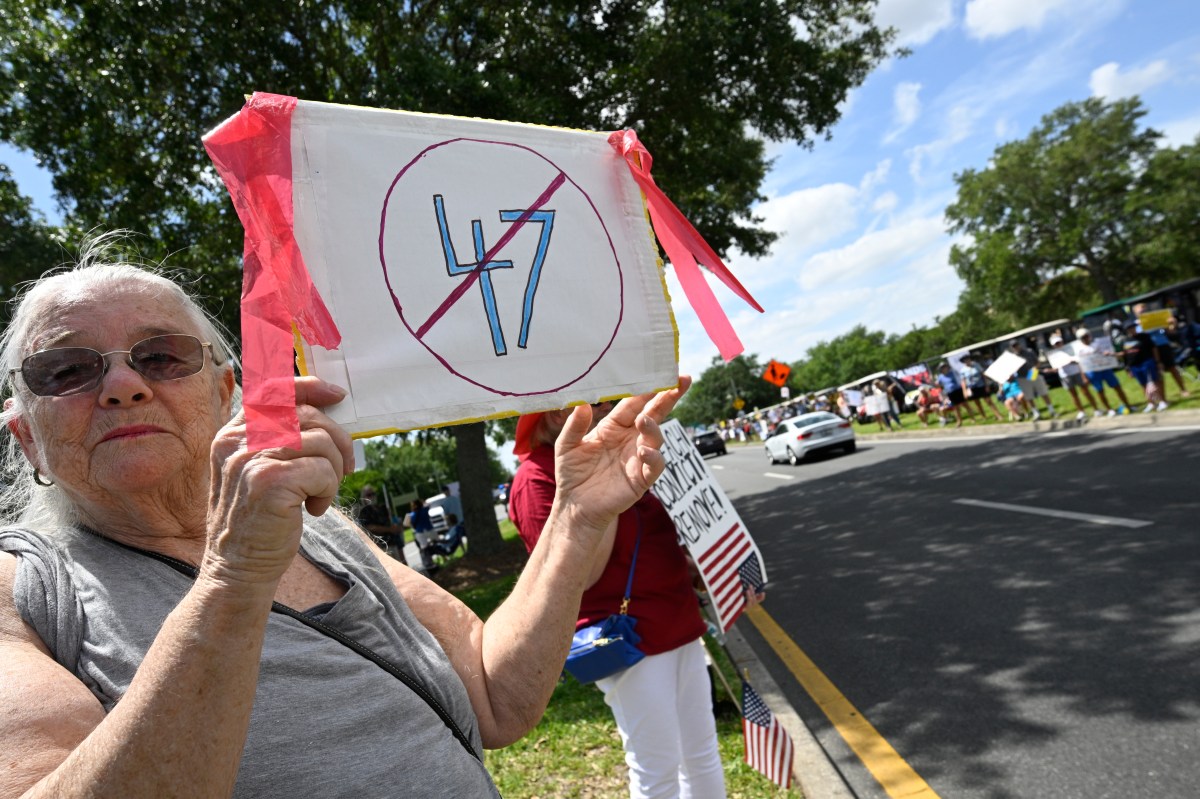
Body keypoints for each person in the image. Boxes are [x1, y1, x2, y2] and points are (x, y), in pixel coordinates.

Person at [0, 235, 689, 797]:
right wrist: (232, 579)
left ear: (223, 392)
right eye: (66, 370)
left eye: (160, 355)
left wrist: (574, 516)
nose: (123, 384)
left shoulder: (320, 525)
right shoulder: (23, 589)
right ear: (26, 434)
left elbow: (495, 696)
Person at [509, 398, 763, 799]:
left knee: (701, 754)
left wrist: (711, 575)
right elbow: (575, 578)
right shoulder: (535, 478)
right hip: (627, 639)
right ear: (561, 413)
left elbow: (656, 543)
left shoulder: (623, 455)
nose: (617, 409)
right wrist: (601, 494)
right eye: (604, 401)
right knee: (657, 770)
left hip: (678, 619)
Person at [1073, 327, 1133, 415]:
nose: (1085, 338)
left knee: (1117, 387)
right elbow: (1080, 363)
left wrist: (1108, 353)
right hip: (1092, 372)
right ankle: (1109, 409)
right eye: (1083, 337)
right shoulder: (1079, 349)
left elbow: (1108, 351)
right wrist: (1084, 376)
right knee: (1100, 391)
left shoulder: (1098, 343)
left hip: (1105, 369)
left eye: (1086, 336)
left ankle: (1128, 405)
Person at [1043, 333, 1101, 421]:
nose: (1058, 344)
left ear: (1062, 341)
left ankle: (1096, 409)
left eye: (1059, 342)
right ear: (1053, 345)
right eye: (1056, 343)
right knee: (1074, 395)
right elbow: (1056, 368)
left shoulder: (1071, 348)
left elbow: (1079, 360)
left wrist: (1080, 371)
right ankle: (1081, 411)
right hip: (1065, 376)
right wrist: (1049, 370)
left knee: (1086, 392)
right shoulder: (1053, 355)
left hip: (1076, 372)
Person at [1118, 318, 1168, 412]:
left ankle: (1162, 401)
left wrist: (1157, 361)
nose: (1131, 330)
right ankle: (1151, 403)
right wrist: (1128, 368)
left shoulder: (1144, 336)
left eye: (1132, 327)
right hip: (1134, 365)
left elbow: (1154, 348)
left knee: (1154, 382)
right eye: (1129, 328)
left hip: (1147, 362)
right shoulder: (1125, 340)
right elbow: (1126, 355)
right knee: (1143, 384)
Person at [1009, 339, 1056, 419]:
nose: (1016, 347)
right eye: (1014, 346)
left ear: (1019, 344)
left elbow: (1037, 362)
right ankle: (1036, 413)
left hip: (1033, 374)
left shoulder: (1029, 351)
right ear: (1012, 348)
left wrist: (1033, 371)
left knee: (1043, 392)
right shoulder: (1012, 357)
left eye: (1016, 345)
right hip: (1022, 378)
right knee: (1028, 396)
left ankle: (1051, 410)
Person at [357, 484, 403, 555]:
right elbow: (369, 527)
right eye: (369, 495)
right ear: (364, 497)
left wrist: (396, 526)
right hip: (380, 547)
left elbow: (392, 521)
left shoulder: (383, 508)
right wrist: (389, 529)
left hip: (393, 542)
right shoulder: (364, 511)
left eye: (373, 494)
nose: (372, 496)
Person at [958, 355, 1005, 422]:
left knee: (989, 401)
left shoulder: (976, 365)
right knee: (977, 403)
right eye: (965, 360)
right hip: (972, 388)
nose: (967, 361)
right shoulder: (962, 370)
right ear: (963, 362)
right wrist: (964, 391)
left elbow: (983, 375)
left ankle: (998, 415)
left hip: (981, 386)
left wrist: (987, 385)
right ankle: (984, 417)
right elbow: (963, 381)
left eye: (968, 359)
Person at [406, 497, 438, 573]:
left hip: (420, 532)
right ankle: (444, 557)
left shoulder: (412, 514)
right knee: (437, 543)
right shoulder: (425, 509)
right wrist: (422, 503)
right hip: (429, 529)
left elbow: (407, 524)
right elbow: (428, 504)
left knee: (424, 548)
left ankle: (428, 563)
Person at [935, 362, 967, 427]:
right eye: (942, 368)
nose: (944, 368)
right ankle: (959, 421)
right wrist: (936, 384)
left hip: (958, 390)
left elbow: (960, 380)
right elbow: (938, 386)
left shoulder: (953, 373)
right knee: (955, 407)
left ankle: (973, 418)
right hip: (950, 393)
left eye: (944, 367)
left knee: (964, 404)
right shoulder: (940, 377)